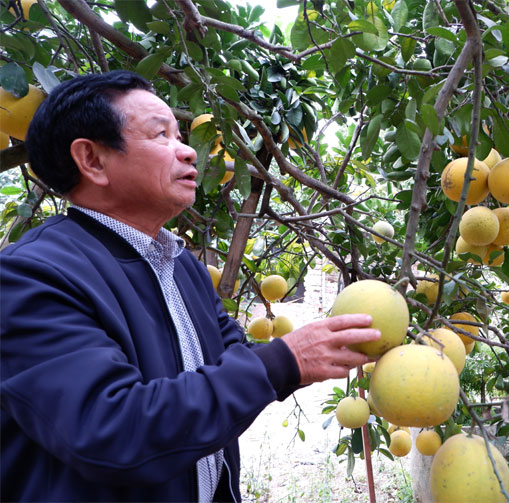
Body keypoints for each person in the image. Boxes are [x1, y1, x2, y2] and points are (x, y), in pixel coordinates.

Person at [0, 70, 380, 502]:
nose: (187, 152)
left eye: (180, 135)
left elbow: (234, 358)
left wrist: (327, 349)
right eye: (161, 135)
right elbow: (111, 428)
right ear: (92, 160)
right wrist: (285, 362)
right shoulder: (29, 276)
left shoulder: (182, 266)